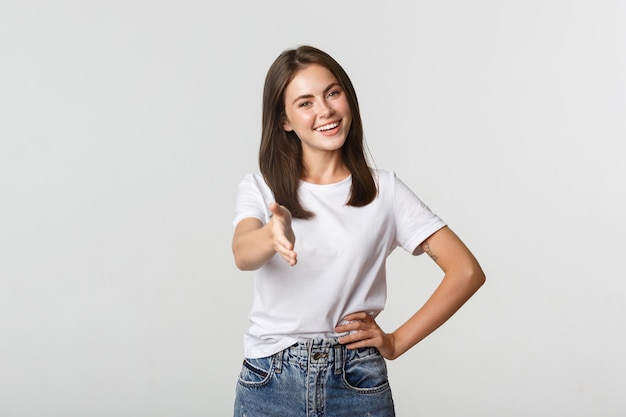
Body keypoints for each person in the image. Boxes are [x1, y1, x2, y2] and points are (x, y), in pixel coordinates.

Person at [231, 45, 485, 417]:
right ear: (284, 120)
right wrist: (272, 235)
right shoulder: (261, 188)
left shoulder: (385, 192)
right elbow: (242, 253)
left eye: (332, 93)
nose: (325, 110)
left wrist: (396, 341)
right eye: (305, 103)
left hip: (355, 380)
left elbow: (466, 271)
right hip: (271, 380)